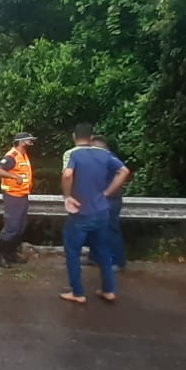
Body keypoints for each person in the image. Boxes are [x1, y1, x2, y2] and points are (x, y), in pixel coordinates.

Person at [60, 123, 130, 306]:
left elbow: (67, 175)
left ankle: (77, 292)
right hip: (101, 211)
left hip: (80, 213)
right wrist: (107, 192)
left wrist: (67, 197)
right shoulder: (104, 154)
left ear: (74, 137)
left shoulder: (72, 154)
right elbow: (124, 171)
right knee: (103, 251)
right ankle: (108, 290)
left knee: (72, 253)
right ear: (91, 138)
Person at [0, 132, 36, 269]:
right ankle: (1, 257)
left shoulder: (23, 155)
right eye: (29, 140)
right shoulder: (12, 156)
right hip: (13, 197)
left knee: (20, 227)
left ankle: (12, 254)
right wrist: (14, 177)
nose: (31, 142)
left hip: (22, 195)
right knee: (11, 227)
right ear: (21, 142)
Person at [93, 135, 128, 271]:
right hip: (99, 200)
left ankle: (117, 261)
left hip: (110, 200)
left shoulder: (109, 158)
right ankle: (95, 257)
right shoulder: (97, 159)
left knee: (111, 230)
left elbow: (124, 172)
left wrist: (107, 193)